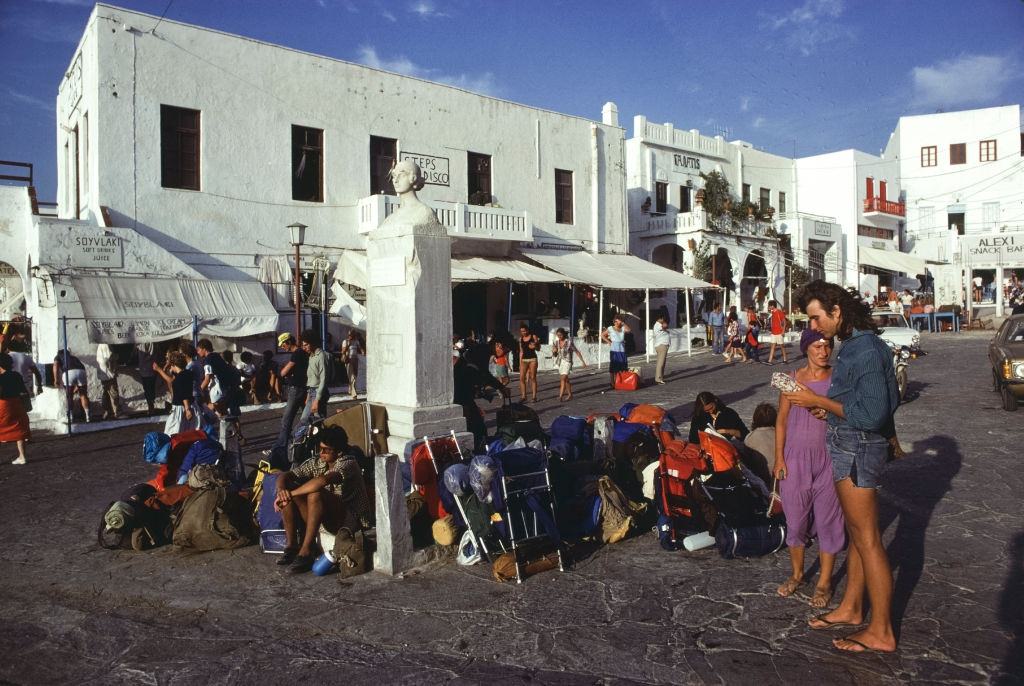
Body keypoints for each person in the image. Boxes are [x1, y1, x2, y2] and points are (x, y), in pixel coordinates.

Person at [785, 279, 900, 654]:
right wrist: (830, 408)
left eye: (817, 319)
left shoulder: (863, 350)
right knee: (857, 535)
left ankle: (881, 629)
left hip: (857, 448)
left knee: (867, 539)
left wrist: (816, 402)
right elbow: (881, 397)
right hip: (849, 442)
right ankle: (852, 607)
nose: (814, 327)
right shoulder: (856, 345)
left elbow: (872, 412)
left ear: (837, 312)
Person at [774, 329, 846, 610]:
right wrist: (779, 458)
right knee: (795, 520)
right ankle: (797, 573)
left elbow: (846, 412)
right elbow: (781, 421)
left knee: (830, 520)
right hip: (795, 459)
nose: (823, 350)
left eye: (827, 345)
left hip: (830, 458)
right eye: (817, 346)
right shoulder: (792, 381)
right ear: (806, 349)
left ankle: (825, 582)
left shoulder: (838, 379)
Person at [273, 426, 371, 574]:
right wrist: (282, 491)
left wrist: (290, 494)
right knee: (289, 489)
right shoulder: (318, 461)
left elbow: (322, 481)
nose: (322, 453)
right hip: (327, 516)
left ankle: (306, 551)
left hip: (350, 521)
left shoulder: (348, 463)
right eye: (320, 449)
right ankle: (292, 546)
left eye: (327, 450)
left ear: (339, 452)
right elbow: (285, 475)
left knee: (314, 493)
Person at [454, 353, 510, 452]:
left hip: (466, 401)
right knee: (477, 428)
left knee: (479, 427)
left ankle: (480, 448)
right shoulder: (467, 369)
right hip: (461, 401)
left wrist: (500, 387)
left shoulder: (468, 366)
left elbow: (486, 378)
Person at [267, 333, 309, 459]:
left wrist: (283, 370)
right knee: (307, 418)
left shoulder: (296, 353)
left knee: (286, 420)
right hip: (303, 388)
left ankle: (280, 450)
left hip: (296, 389)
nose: (283, 347)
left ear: (288, 342)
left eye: (283, 344)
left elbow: (284, 372)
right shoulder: (302, 353)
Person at [151, 351, 198, 436]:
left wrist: (187, 409)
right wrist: (160, 370)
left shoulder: (179, 379)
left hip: (180, 409)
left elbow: (184, 394)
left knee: (172, 432)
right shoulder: (187, 373)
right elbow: (173, 381)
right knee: (188, 432)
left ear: (173, 364)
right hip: (191, 405)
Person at [0, 352, 30, 465]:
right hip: (17, 404)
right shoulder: (17, 375)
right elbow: (23, 391)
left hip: (3, 405)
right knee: (19, 430)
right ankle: (22, 457)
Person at [297, 329, 329, 430]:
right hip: (311, 392)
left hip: (319, 392)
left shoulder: (321, 356)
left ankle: (323, 443)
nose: (304, 347)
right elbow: (311, 378)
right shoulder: (311, 356)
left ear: (313, 342)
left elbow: (324, 379)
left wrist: (317, 400)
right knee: (309, 421)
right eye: (303, 345)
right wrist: (308, 395)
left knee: (316, 421)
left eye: (306, 345)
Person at [53, 348, 91, 423]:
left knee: (69, 396)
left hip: (68, 373)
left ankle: (70, 417)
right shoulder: (74, 358)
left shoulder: (58, 356)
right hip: (81, 372)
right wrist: (77, 385)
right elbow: (78, 369)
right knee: (83, 395)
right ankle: (88, 416)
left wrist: (56, 379)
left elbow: (55, 366)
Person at [551, 327, 587, 401]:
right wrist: (554, 351)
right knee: (566, 379)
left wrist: (583, 361)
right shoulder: (556, 342)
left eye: (560, 335)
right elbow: (555, 354)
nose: (559, 337)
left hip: (568, 362)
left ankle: (560, 396)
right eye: (558, 335)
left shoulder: (569, 342)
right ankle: (570, 394)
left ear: (563, 334)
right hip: (561, 362)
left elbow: (577, 351)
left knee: (563, 378)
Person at [601, 315, 631, 390]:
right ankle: (612, 382)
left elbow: (629, 330)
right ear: (614, 321)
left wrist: (623, 323)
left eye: (620, 320)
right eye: (617, 321)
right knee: (613, 366)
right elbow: (602, 335)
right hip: (614, 350)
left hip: (622, 349)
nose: (618, 322)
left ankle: (620, 381)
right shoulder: (610, 328)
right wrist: (609, 342)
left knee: (622, 366)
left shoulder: (623, 328)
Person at [95, 343, 121, 420]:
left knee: (106, 393)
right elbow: (109, 357)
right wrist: (117, 356)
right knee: (113, 393)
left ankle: (107, 412)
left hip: (103, 374)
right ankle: (116, 412)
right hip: (108, 374)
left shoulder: (100, 345)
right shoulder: (106, 344)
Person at [517, 324, 540, 402]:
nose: (523, 332)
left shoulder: (533, 336)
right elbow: (521, 352)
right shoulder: (520, 339)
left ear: (527, 330)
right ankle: (523, 396)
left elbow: (538, 348)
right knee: (521, 378)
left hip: (532, 359)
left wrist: (535, 346)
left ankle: (534, 397)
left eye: (524, 331)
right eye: (521, 331)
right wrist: (520, 363)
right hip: (524, 360)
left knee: (532, 377)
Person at [341, 331, 363, 400]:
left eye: (353, 335)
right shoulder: (345, 341)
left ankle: (350, 389)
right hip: (348, 360)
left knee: (355, 376)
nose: (351, 336)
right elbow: (343, 351)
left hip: (355, 359)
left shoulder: (356, 341)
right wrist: (348, 344)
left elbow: (360, 348)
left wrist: (362, 351)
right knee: (352, 376)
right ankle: (354, 394)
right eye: (350, 335)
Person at [136, 343, 157, 415]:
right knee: (146, 389)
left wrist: (144, 359)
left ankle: (151, 407)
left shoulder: (149, 341)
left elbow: (152, 354)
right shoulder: (138, 341)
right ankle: (150, 406)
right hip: (143, 370)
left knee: (150, 389)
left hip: (149, 369)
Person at [766, 300, 789, 365]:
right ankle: (769, 361)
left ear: (772, 306)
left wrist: (783, 331)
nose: (769, 307)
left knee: (782, 346)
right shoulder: (772, 312)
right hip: (773, 332)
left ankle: (785, 359)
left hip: (779, 332)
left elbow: (784, 322)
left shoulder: (779, 312)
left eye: (769, 306)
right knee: (772, 346)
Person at [652, 315, 670, 384]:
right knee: (661, 363)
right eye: (663, 319)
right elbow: (665, 325)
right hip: (662, 345)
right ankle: (658, 379)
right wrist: (664, 325)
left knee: (662, 362)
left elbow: (664, 328)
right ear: (661, 319)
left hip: (662, 345)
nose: (664, 321)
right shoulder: (658, 325)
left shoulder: (658, 325)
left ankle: (660, 377)